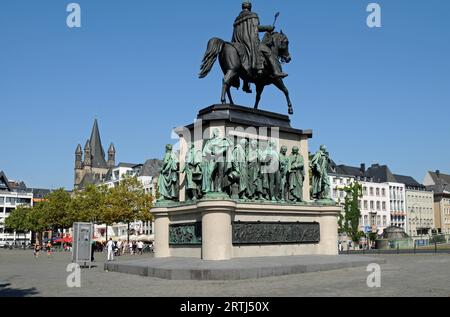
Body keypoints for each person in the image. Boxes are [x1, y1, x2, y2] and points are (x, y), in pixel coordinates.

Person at [232, 1, 287, 93]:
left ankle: (246, 84)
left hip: (239, 41)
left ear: (242, 7)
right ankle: (276, 71)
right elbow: (256, 28)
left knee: (245, 57)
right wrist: (268, 28)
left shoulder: (237, 19)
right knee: (268, 52)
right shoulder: (252, 15)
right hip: (251, 41)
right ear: (250, 7)